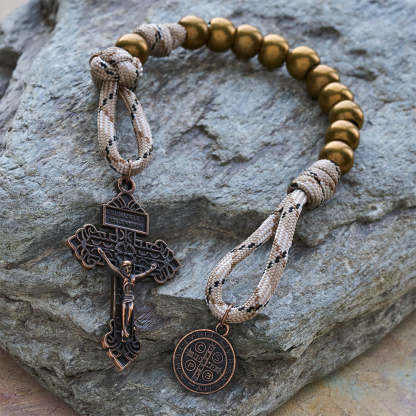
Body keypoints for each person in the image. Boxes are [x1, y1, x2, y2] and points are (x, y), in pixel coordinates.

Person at [97, 248, 156, 340]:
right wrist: (104, 256)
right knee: (124, 312)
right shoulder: (122, 276)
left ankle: (125, 329)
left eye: (130, 268)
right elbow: (112, 267)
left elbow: (144, 274)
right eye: (126, 268)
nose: (128, 270)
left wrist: (151, 269)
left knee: (130, 312)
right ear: (123, 268)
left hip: (131, 297)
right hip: (125, 297)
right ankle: (123, 329)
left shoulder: (133, 277)